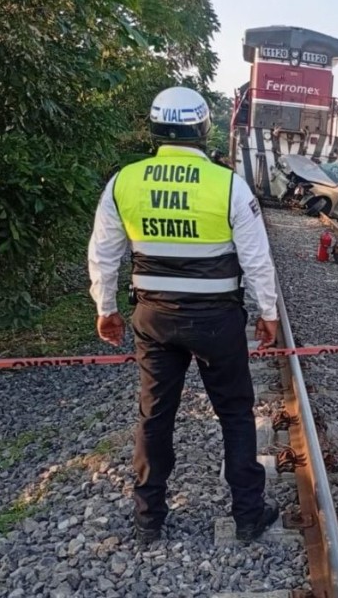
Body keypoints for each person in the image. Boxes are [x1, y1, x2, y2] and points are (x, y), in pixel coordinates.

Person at [87, 86, 280, 543]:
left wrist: (106, 308)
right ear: (201, 129)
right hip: (217, 321)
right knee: (234, 414)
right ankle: (248, 515)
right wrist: (267, 311)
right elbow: (256, 258)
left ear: (156, 128)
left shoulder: (125, 181)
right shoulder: (227, 184)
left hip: (154, 320)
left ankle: (148, 517)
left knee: (154, 416)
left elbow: (103, 252)